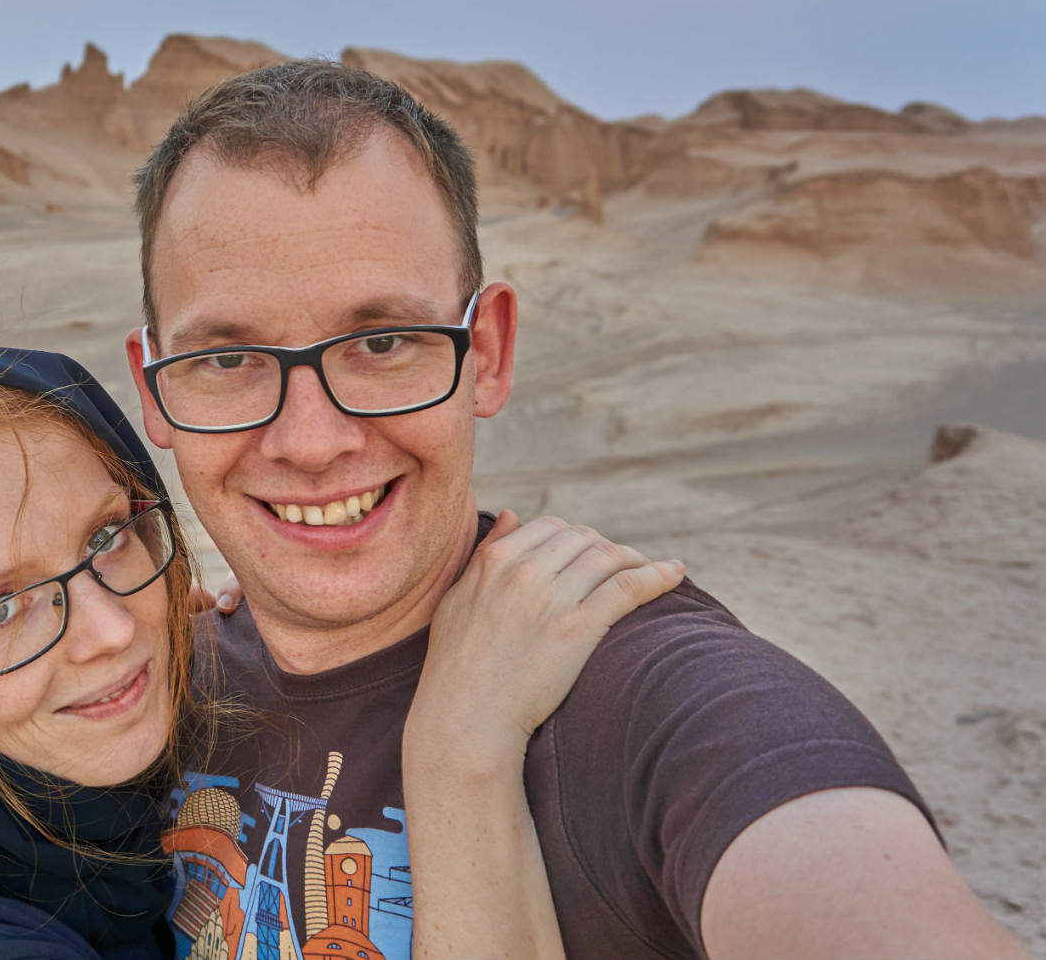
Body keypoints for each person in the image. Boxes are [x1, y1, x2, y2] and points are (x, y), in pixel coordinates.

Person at [124, 60, 1027, 959]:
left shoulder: (645, 696)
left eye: (385, 341)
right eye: (225, 360)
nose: (312, 441)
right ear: (153, 390)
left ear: (486, 352)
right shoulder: (134, 696)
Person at [0, 347, 683, 958]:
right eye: (1, 609)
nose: (112, 629)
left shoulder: (59, 840)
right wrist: (461, 753)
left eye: (110, 535)